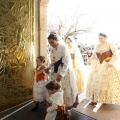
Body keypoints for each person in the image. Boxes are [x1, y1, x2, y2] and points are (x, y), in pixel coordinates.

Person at [86, 33, 120, 106]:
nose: (100, 40)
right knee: (95, 82)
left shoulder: (111, 44)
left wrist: (111, 62)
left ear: (105, 38)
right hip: (97, 66)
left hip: (107, 65)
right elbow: (94, 55)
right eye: (99, 38)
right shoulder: (97, 45)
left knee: (105, 83)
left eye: (101, 38)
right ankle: (94, 99)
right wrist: (89, 60)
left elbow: (116, 54)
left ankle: (104, 99)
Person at [45, 32, 78, 107]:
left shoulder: (63, 47)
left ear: (57, 40)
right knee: (54, 87)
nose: (51, 44)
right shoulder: (52, 50)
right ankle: (56, 105)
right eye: (49, 43)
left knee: (64, 88)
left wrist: (61, 74)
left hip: (64, 71)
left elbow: (66, 62)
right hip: (55, 71)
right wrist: (48, 67)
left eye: (52, 42)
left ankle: (64, 106)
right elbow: (53, 62)